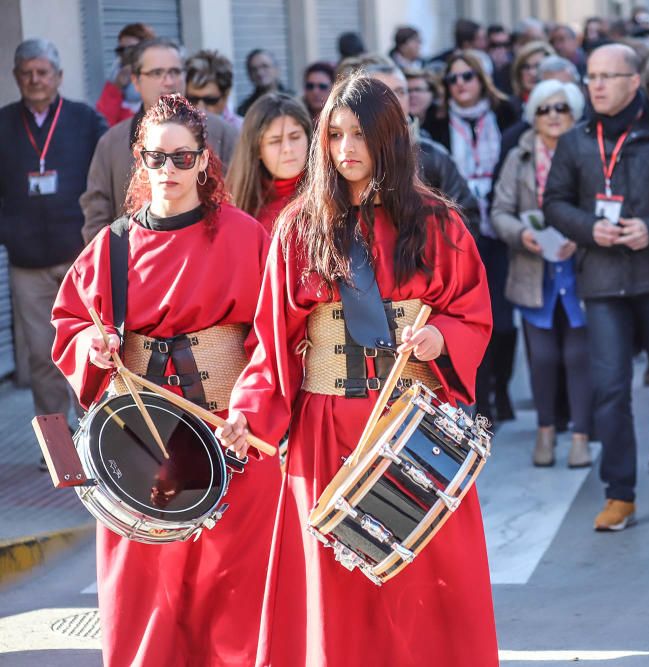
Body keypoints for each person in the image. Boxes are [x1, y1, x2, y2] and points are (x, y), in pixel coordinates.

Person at [217, 74, 498, 667]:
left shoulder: (438, 222)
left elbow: (472, 312)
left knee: (427, 578)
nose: (346, 148)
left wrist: (441, 335)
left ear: (389, 138)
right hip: (327, 430)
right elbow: (272, 341)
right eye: (335, 134)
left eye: (360, 135)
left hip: (414, 424)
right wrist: (248, 413)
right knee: (335, 587)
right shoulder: (299, 227)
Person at [51, 94, 281, 667]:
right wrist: (93, 345)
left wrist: (251, 410)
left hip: (230, 439)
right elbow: (70, 324)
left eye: (184, 158)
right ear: (139, 160)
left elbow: (276, 338)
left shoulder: (245, 236)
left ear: (205, 161)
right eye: (157, 158)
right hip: (139, 444)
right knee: (146, 592)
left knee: (236, 592)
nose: (170, 171)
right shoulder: (113, 245)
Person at [543, 44, 649, 530]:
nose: (594, 85)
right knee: (611, 389)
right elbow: (554, 201)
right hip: (602, 281)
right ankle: (620, 494)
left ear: (633, 82)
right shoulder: (576, 141)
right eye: (590, 76)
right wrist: (586, 228)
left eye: (607, 76)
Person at [2, 38, 106, 465]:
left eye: (43, 71)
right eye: (26, 72)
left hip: (78, 260)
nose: (35, 79)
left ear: (59, 77)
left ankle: (97, 440)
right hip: (28, 264)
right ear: (15, 77)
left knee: (90, 352)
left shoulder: (84, 120)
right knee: (42, 358)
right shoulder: (3, 123)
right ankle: (58, 452)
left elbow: (105, 180)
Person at [492, 80, 592, 468]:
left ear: (574, 113)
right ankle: (546, 431)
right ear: (532, 116)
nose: (553, 116)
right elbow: (498, 211)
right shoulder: (518, 158)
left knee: (579, 355)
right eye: (544, 109)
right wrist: (523, 234)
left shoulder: (587, 153)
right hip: (534, 271)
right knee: (544, 357)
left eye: (561, 108)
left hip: (580, 268)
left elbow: (604, 205)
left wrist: (581, 237)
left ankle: (581, 436)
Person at [422, 51, 520, 425]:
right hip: (462, 229)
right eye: (453, 79)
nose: (461, 84)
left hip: (499, 226)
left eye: (468, 77)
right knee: (471, 319)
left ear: (482, 79)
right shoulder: (439, 124)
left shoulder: (506, 116)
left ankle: (502, 387)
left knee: (503, 320)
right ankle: (486, 399)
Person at [81, 37, 240, 243]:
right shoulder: (111, 143)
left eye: (175, 72)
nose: (168, 81)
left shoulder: (222, 133)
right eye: (157, 73)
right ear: (136, 81)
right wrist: (114, 265)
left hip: (209, 258)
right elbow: (96, 215)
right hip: (137, 266)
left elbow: (242, 197)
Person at [336, 55, 482, 234]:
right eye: (385, 92)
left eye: (400, 91)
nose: (395, 99)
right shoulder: (345, 153)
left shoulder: (433, 156)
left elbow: (467, 216)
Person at [227, 92, 311, 233]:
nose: (288, 149)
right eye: (275, 141)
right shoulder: (236, 207)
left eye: (295, 137)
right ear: (257, 149)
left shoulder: (332, 196)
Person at [96, 23, 155, 127]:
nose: (126, 55)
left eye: (132, 50)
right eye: (121, 50)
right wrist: (116, 87)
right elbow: (101, 125)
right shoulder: (115, 81)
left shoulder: (162, 83)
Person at [185, 49, 241, 128]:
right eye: (192, 99)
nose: (200, 109)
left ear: (225, 96)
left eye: (210, 101)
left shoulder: (242, 131)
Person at [237, 49, 287, 117]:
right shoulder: (245, 109)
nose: (259, 73)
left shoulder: (294, 100)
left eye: (265, 66)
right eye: (254, 69)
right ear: (249, 75)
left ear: (277, 69)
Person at [511, 40, 556, 104]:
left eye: (538, 66)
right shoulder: (509, 108)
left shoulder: (564, 104)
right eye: (526, 67)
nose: (532, 73)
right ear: (518, 73)